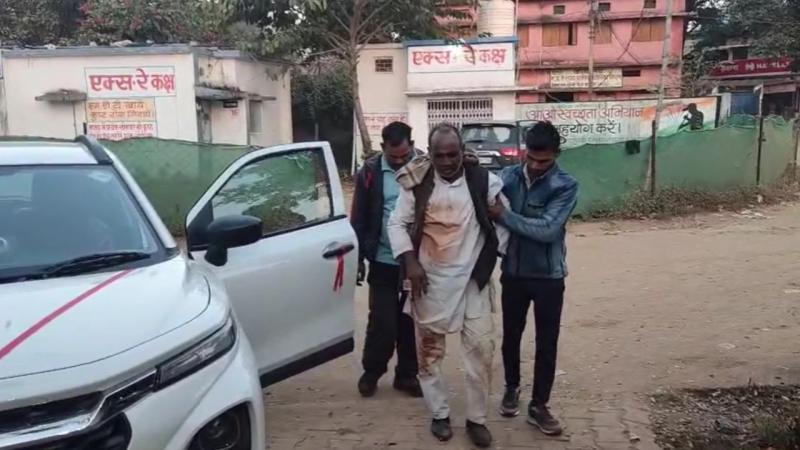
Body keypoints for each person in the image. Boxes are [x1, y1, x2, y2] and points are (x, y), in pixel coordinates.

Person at [387, 123, 507, 448]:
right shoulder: (417, 182)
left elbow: (502, 219)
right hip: (429, 281)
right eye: (439, 155)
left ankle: (477, 420)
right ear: (429, 153)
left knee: (481, 351)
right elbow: (396, 223)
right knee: (429, 355)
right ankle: (439, 414)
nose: (446, 162)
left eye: (453, 154)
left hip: (472, 283)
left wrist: (491, 258)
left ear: (462, 151)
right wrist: (410, 262)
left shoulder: (483, 180)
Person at [489, 121, 578, 436]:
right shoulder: (507, 177)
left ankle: (539, 405)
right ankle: (511, 388)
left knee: (546, 343)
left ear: (556, 154)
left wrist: (504, 216)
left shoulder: (566, 185)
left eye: (545, 161)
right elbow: (480, 191)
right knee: (511, 337)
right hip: (513, 273)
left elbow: (548, 230)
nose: (537, 166)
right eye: (532, 159)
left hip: (548, 277)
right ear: (525, 152)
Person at [350, 122, 423, 398]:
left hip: (415, 263)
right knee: (382, 322)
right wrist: (358, 258)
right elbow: (359, 215)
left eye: (405, 155)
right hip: (382, 260)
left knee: (410, 322)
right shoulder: (370, 172)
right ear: (383, 148)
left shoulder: (425, 166)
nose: (400, 161)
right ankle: (372, 371)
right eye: (394, 157)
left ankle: (407, 375)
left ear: (411, 145)